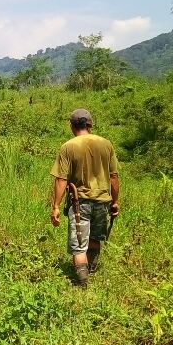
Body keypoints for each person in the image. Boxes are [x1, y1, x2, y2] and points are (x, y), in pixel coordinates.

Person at [50, 108, 121, 286]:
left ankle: (82, 286)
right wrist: (115, 201)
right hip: (103, 201)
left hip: (79, 201)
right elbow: (114, 176)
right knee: (95, 239)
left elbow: (61, 179)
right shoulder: (106, 144)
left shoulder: (69, 146)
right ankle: (91, 274)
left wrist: (56, 206)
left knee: (79, 245)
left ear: (72, 126)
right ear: (90, 125)